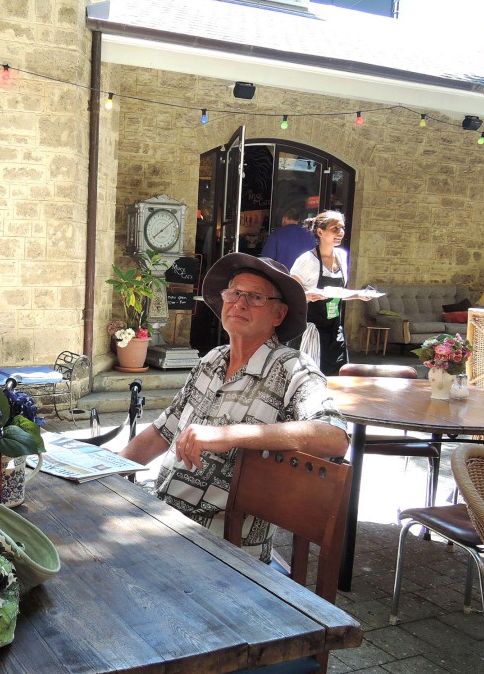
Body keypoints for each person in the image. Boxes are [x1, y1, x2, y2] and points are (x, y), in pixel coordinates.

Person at [118, 253, 349, 561]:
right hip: (164, 523)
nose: (240, 304)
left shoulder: (291, 368)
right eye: (234, 293)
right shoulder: (212, 360)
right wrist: (108, 470)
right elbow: (162, 432)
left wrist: (230, 434)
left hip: (223, 550)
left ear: (278, 314)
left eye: (255, 297)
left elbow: (333, 437)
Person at [289, 211, 372, 376]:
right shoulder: (307, 260)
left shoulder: (341, 257)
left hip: (335, 330)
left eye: (342, 228)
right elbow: (290, 292)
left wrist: (358, 294)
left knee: (338, 377)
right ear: (320, 232)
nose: (340, 232)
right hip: (311, 332)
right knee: (310, 379)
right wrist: (307, 295)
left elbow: (338, 292)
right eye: (335, 228)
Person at [260, 205, 314, 271]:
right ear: (298, 220)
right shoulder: (310, 235)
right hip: (304, 277)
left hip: (282, 278)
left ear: (285, 218)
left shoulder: (276, 234)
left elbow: (266, 261)